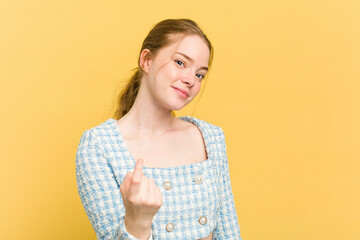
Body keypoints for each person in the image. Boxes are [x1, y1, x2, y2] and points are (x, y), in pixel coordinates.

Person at [76, 18, 243, 240]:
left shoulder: (210, 137)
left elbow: (230, 233)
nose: (191, 80)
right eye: (181, 63)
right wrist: (138, 221)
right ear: (146, 60)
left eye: (199, 74)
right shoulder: (99, 146)